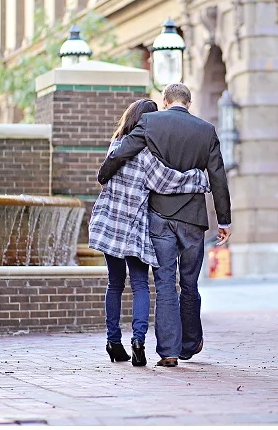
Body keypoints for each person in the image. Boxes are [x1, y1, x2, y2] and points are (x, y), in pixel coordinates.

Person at [97, 83, 232, 368]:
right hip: (194, 218)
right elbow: (218, 176)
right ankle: (191, 343)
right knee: (191, 282)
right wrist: (223, 219)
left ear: (165, 100)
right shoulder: (206, 130)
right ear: (189, 102)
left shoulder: (150, 122)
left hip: (160, 217)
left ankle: (169, 352)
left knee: (165, 283)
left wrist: (103, 174)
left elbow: (122, 153)